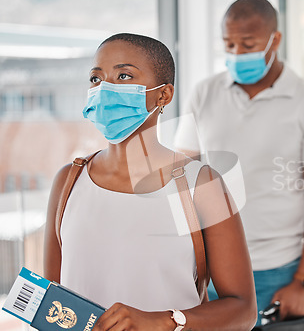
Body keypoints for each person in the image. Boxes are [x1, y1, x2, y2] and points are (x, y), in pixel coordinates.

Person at [44, 33, 257, 331]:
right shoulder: (68, 180)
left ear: (164, 95)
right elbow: (52, 303)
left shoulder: (201, 185)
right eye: (96, 79)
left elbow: (243, 311)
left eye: (124, 75)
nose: (105, 89)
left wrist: (163, 321)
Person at [174, 0, 304, 325]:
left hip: (276, 271)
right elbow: (182, 179)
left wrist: (302, 281)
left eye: (247, 44)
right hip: (208, 267)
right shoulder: (203, 93)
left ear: (274, 40)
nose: (236, 53)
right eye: (229, 44)